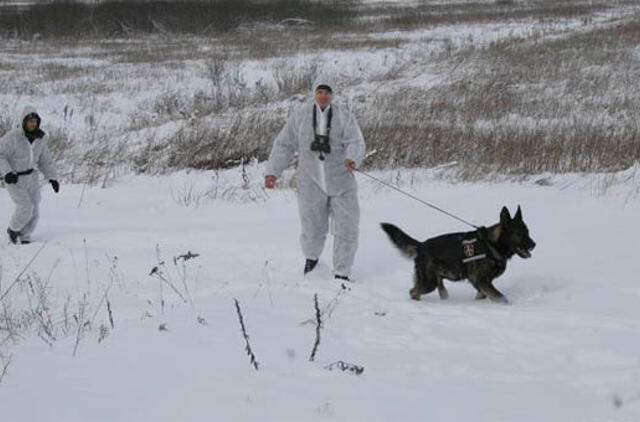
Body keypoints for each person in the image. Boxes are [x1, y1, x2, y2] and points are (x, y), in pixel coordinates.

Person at [265, 77, 365, 281]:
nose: (323, 96)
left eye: (327, 92)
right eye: (320, 91)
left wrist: (352, 158)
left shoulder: (344, 116)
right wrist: (273, 171)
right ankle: (311, 261)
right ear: (314, 92)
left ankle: (342, 272)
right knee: (312, 226)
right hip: (310, 181)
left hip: (341, 181)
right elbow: (284, 144)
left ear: (333, 95)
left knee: (347, 227)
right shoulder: (301, 115)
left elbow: (355, 141)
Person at [0, 106, 59, 244]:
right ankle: (13, 229)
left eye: (35, 121)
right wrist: (7, 172)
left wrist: (52, 178)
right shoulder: (13, 137)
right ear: (24, 122)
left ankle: (25, 236)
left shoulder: (41, 139)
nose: (33, 124)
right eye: (30, 121)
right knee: (25, 207)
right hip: (15, 178)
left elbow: (45, 160)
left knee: (35, 209)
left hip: (31, 178)